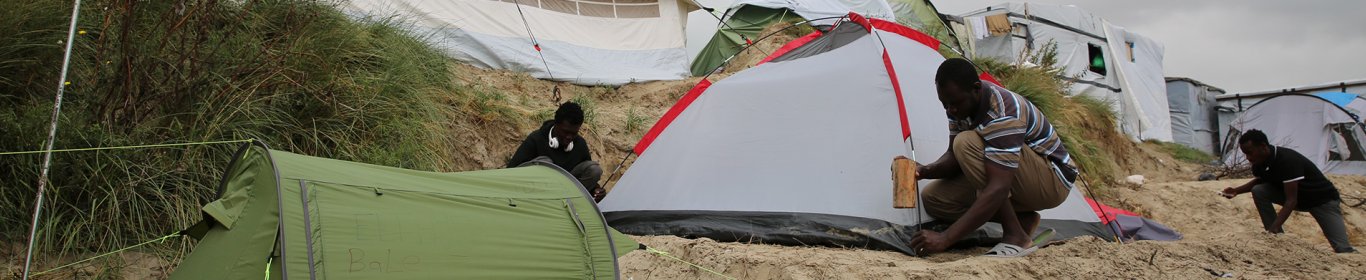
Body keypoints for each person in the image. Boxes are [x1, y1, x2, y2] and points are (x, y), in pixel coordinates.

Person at [909, 58, 1077, 257]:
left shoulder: (1003, 111)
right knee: (934, 199)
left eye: (954, 103)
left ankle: (1015, 236)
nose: (950, 111)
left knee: (966, 142)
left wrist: (945, 238)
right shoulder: (959, 106)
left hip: (1052, 181)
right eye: (944, 104)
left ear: (976, 88)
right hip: (1016, 177)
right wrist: (923, 170)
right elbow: (953, 158)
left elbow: (999, 186)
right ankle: (1022, 220)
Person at [1220, 129, 1356, 253]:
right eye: (1245, 154)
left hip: (1322, 201)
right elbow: (1260, 181)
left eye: (1250, 152)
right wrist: (1236, 191)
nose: (1248, 158)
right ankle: (1277, 238)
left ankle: (1273, 231)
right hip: (1299, 200)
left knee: (1343, 249)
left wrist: (1274, 226)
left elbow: (1291, 201)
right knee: (1259, 190)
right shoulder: (1259, 163)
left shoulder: (1287, 160)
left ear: (1263, 146)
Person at [508, 102, 605, 201]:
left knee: (594, 170)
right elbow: (511, 171)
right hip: (535, 194)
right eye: (565, 132)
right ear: (556, 124)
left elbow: (587, 175)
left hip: (567, 194)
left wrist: (596, 190)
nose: (569, 137)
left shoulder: (580, 144)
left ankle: (573, 202)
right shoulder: (536, 139)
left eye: (574, 133)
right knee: (545, 163)